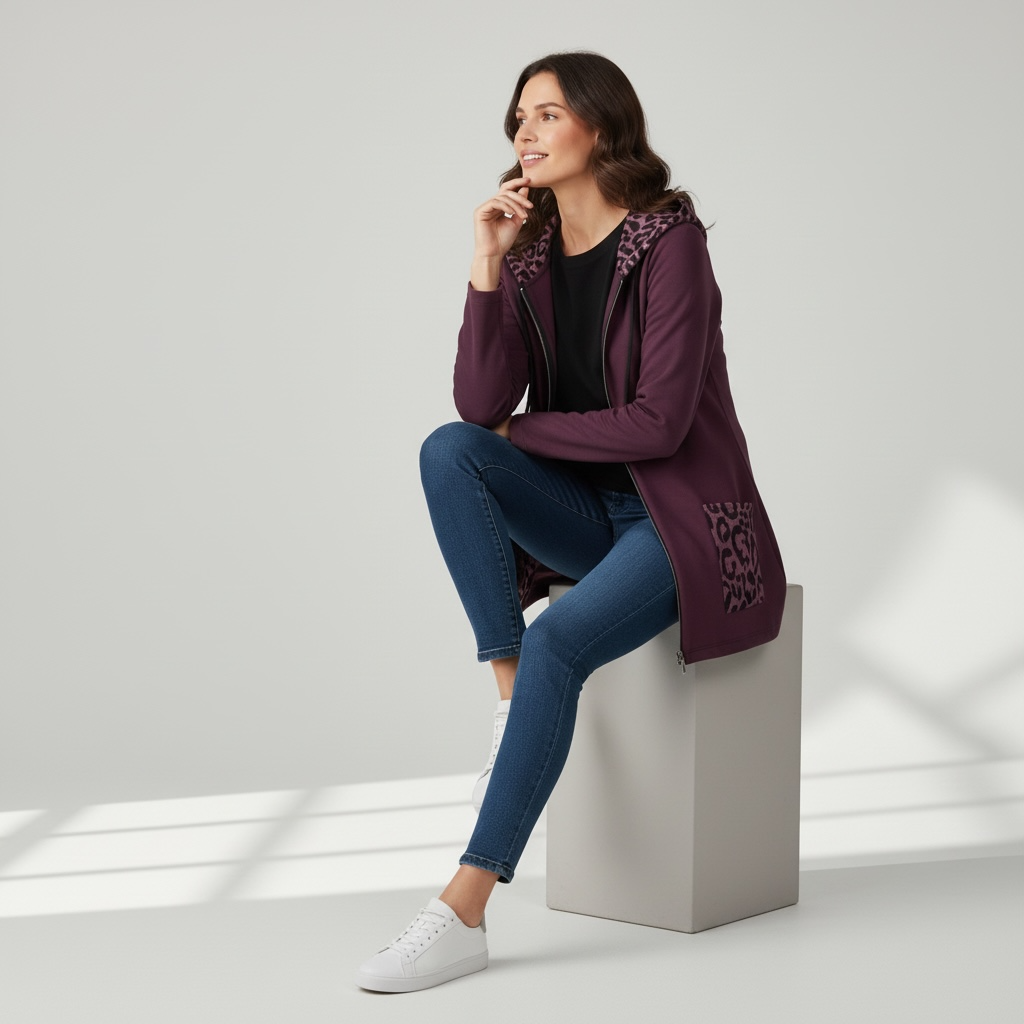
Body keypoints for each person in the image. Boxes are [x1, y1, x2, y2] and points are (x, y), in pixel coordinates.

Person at [355, 51, 786, 993]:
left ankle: (463, 910)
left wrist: (528, 430)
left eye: (547, 113)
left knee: (561, 640)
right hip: (588, 513)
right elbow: (477, 410)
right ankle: (510, 697)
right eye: (519, 117)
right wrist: (486, 264)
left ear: (601, 123)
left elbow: (659, 423)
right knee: (447, 451)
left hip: (681, 519)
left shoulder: (670, 242)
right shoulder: (531, 256)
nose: (526, 131)